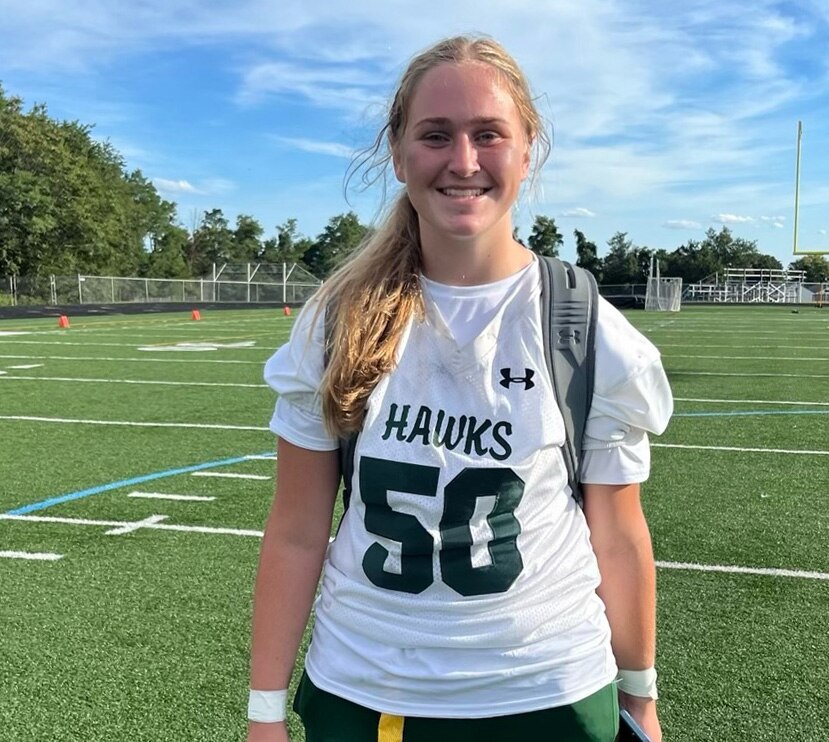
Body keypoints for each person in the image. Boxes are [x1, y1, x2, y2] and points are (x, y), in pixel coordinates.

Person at [248, 34, 673, 742]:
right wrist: (264, 711)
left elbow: (619, 535)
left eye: (489, 135)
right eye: (436, 136)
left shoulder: (583, 324)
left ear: (528, 149)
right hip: (367, 690)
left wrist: (641, 696)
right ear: (398, 153)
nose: (464, 162)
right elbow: (295, 533)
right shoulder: (335, 322)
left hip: (550, 692)